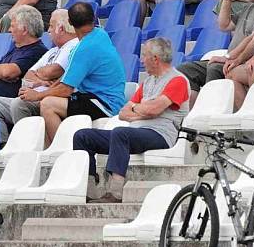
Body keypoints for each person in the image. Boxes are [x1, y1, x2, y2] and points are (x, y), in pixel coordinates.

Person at [73, 37, 190, 203]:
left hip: (161, 135)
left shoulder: (177, 80)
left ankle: (115, 192)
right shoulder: (147, 82)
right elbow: (123, 113)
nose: (142, 60)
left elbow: (154, 109)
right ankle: (89, 190)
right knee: (82, 136)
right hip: (136, 133)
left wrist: (143, 108)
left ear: (155, 59)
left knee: (121, 133)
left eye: (144, 55)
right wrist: (143, 110)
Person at [28, 3, 126, 147]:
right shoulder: (100, 34)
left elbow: (66, 89)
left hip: (105, 103)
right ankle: (48, 150)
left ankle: (62, 150)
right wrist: (47, 91)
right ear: (93, 19)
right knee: (49, 98)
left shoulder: (84, 49)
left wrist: (37, 95)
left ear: (70, 23)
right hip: (97, 97)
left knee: (48, 104)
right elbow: (65, 79)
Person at [0, 9, 80, 143]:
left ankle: (27, 147)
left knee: (19, 103)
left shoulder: (73, 46)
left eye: (51, 26)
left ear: (61, 28)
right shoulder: (53, 50)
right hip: (34, 96)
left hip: (50, 98)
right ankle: (3, 146)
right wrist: (42, 79)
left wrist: (39, 75)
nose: (48, 31)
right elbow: (28, 75)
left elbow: (53, 71)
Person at [177, 0, 254, 104]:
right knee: (185, 70)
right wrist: (227, 0)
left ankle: (212, 110)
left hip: (243, 60)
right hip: (230, 58)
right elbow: (224, 25)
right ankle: (192, 113)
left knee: (215, 68)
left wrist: (228, 57)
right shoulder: (249, 6)